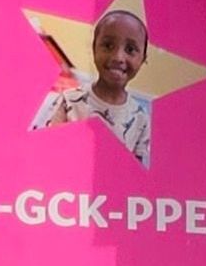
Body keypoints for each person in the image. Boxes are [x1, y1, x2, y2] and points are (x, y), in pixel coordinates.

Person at [31, 9, 152, 167]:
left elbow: (135, 173)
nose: (117, 57)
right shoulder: (68, 101)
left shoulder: (141, 118)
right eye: (108, 45)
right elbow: (47, 152)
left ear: (143, 59)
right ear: (94, 49)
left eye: (130, 50)